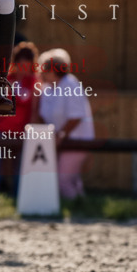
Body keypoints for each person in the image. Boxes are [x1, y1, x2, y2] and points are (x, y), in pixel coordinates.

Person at [32, 47, 95, 200]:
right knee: (71, 178)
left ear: (53, 71)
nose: (41, 73)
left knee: (63, 180)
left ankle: (75, 209)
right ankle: (82, 205)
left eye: (44, 70)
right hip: (61, 140)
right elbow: (41, 115)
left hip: (77, 139)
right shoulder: (47, 88)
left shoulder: (70, 84)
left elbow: (76, 116)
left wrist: (60, 134)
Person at [0, 41, 38, 194]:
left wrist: (30, 132)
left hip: (22, 132)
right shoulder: (7, 78)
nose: (24, 71)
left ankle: (18, 194)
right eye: (21, 66)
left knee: (20, 164)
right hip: (1, 129)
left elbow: (34, 110)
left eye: (27, 67)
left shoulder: (34, 82)